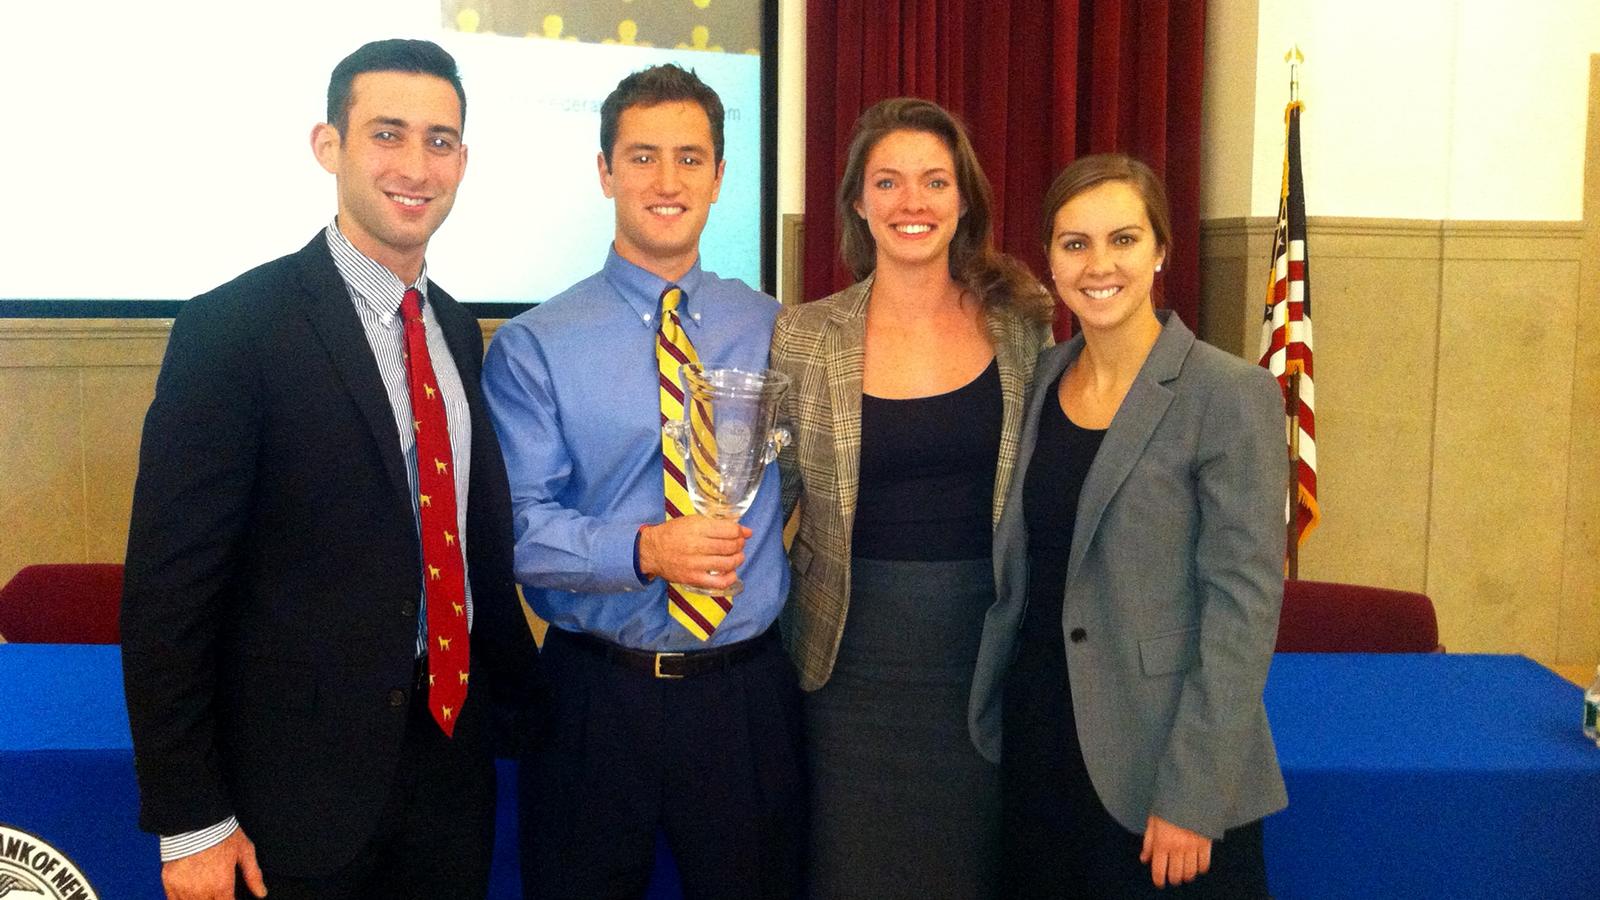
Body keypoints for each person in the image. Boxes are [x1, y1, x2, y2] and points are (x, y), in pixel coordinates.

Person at [119, 39, 542, 900]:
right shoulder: (233, 330)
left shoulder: (458, 332)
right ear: (328, 146)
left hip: (450, 771)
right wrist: (191, 818)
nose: (416, 166)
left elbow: (466, 547)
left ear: (463, 161)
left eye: (439, 140)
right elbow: (168, 597)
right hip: (294, 797)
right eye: (387, 134)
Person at [482, 64, 802, 900]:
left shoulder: (776, 328)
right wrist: (647, 550)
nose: (668, 181)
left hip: (744, 695)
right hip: (596, 698)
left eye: (690, 158)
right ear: (605, 171)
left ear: (719, 177)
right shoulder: (534, 344)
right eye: (643, 157)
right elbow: (515, 530)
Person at [968, 153, 1288, 898]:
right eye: (1074, 243)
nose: (1098, 265)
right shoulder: (1041, 378)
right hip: (1040, 740)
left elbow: (1242, 610)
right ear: (1049, 259)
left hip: (1160, 759)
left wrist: (1193, 795)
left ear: (1161, 250)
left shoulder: (1229, 393)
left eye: (1123, 239)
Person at [770, 97, 1053, 898]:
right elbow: (768, 498)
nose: (912, 201)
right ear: (859, 202)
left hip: (983, 653)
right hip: (845, 659)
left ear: (964, 199)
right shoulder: (804, 335)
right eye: (887, 181)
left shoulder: (1023, 324)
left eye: (934, 180)